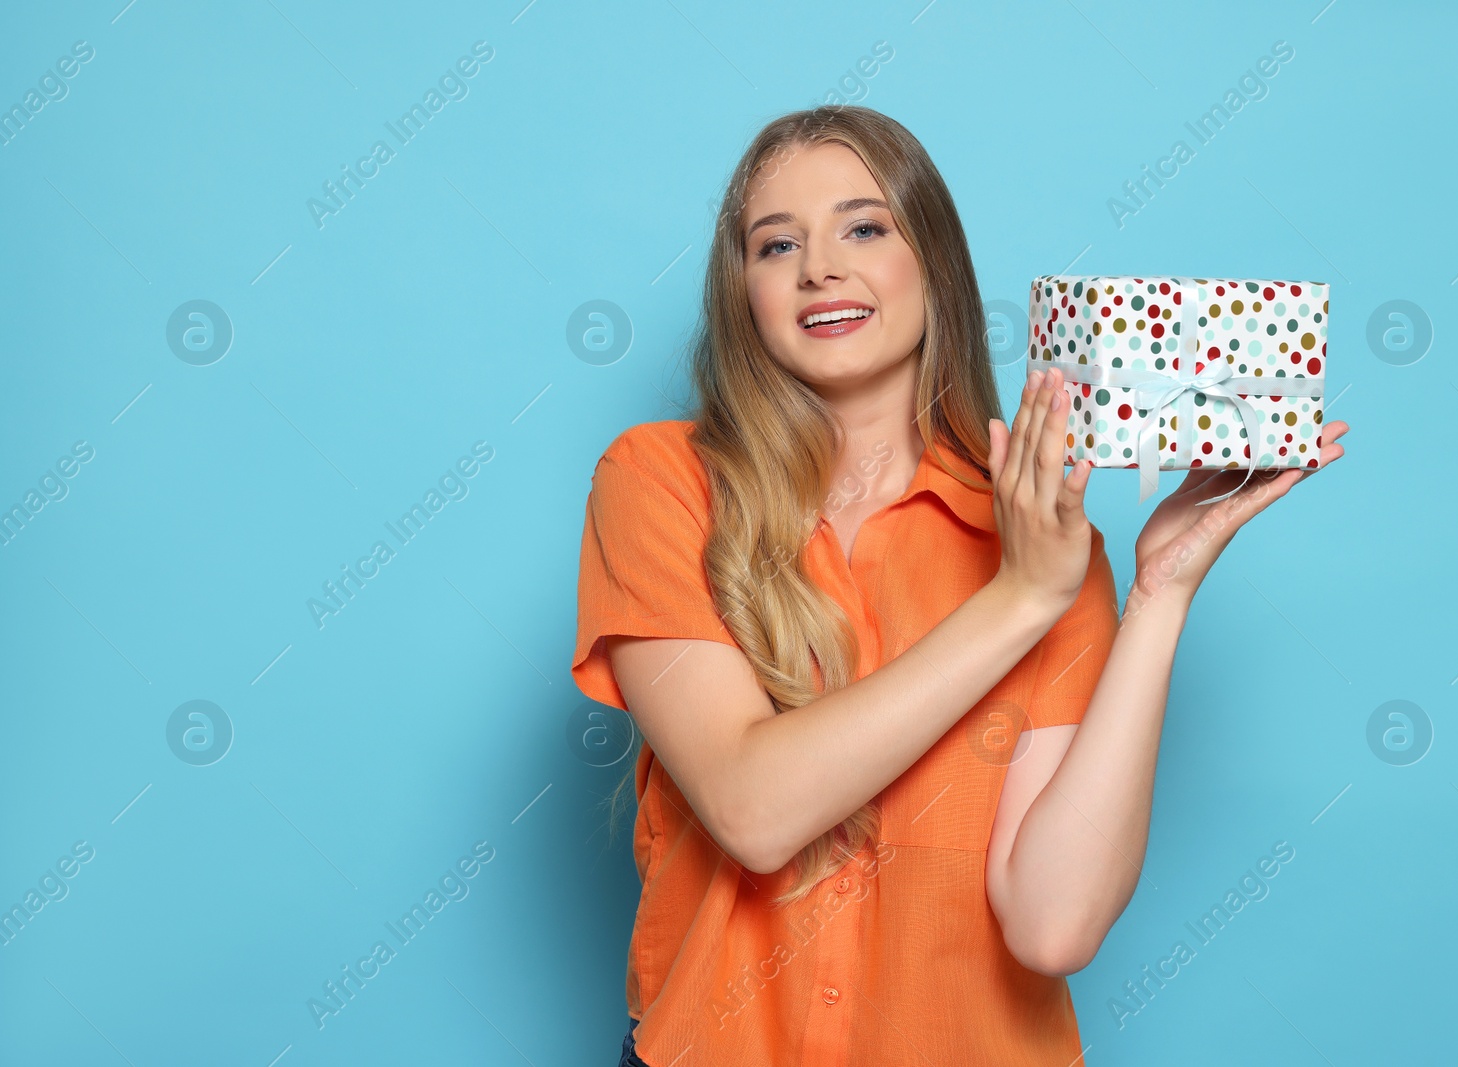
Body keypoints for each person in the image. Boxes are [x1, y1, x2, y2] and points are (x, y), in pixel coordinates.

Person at [571, 104, 1348, 1067]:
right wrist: (1018, 600)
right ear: (745, 296)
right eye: (777, 245)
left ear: (933, 264)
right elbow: (754, 810)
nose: (820, 266)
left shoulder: (1045, 543)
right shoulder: (659, 482)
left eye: (863, 227)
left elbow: (1051, 926)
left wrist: (1158, 594)